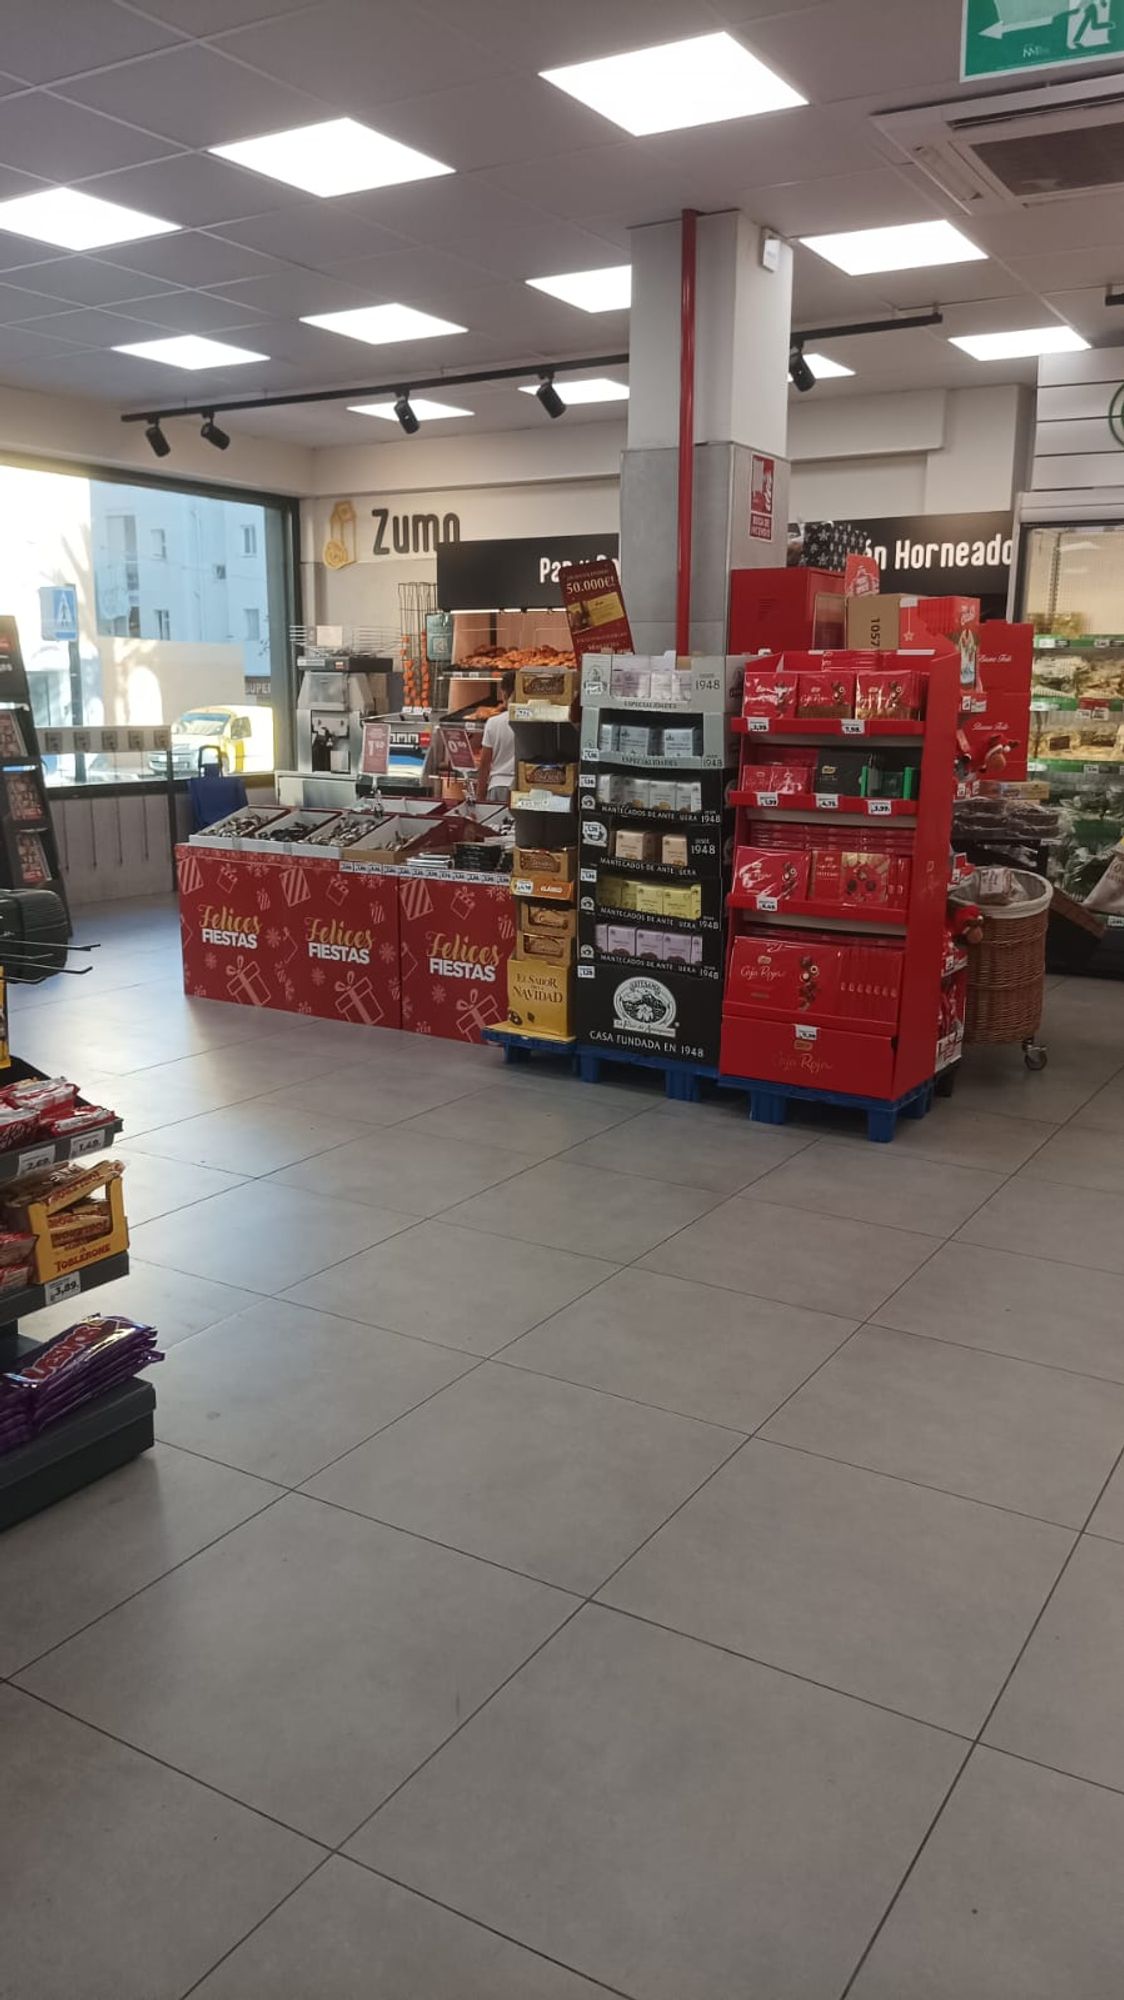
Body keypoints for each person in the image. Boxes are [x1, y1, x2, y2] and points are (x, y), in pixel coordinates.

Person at [474, 670, 516, 804]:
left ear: (503, 693)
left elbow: (484, 764)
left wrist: (480, 797)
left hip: (498, 786)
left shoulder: (493, 723)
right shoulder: (533, 723)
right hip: (522, 787)